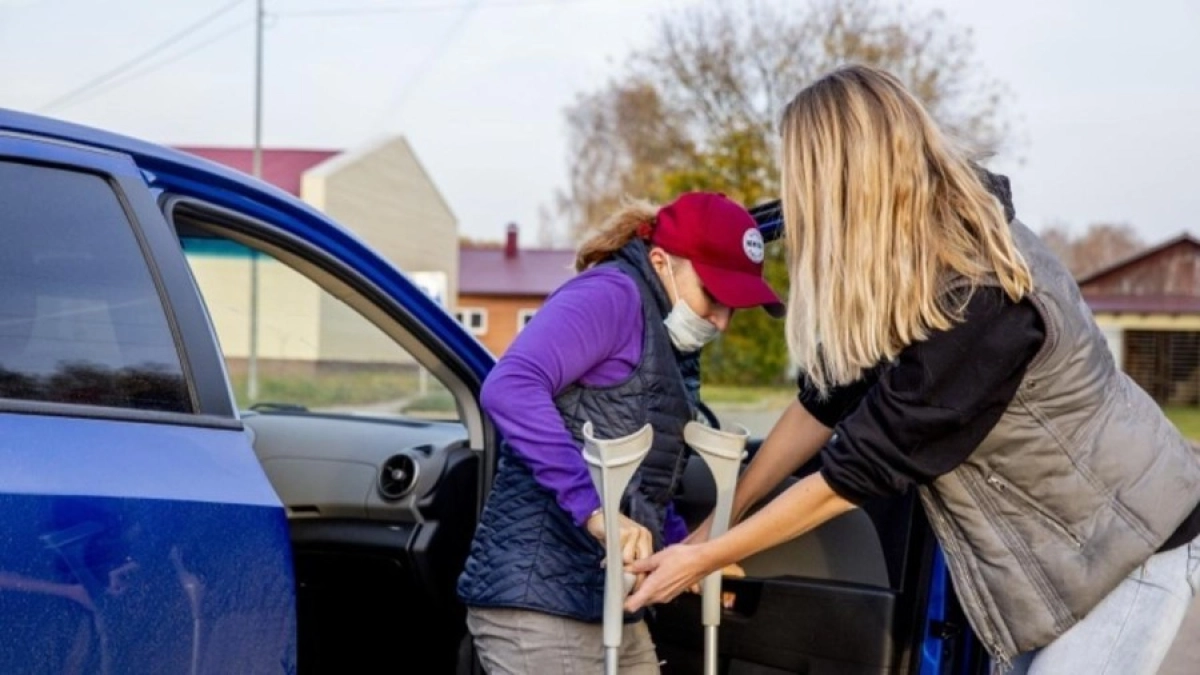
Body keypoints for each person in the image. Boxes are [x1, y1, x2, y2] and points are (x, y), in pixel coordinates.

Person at [624, 64, 1200, 675]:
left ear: (848, 177)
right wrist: (717, 522)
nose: (803, 203)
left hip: (1131, 546)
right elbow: (825, 401)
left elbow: (858, 471)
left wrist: (704, 559)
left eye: (807, 180)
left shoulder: (981, 293)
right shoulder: (901, 270)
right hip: (1058, 559)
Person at [456, 191, 784, 674]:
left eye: (735, 307)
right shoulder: (611, 296)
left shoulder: (666, 331)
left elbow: (641, 480)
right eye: (715, 296)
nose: (722, 320)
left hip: (608, 601)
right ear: (661, 261)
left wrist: (689, 553)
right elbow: (511, 386)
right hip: (541, 599)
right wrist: (593, 509)